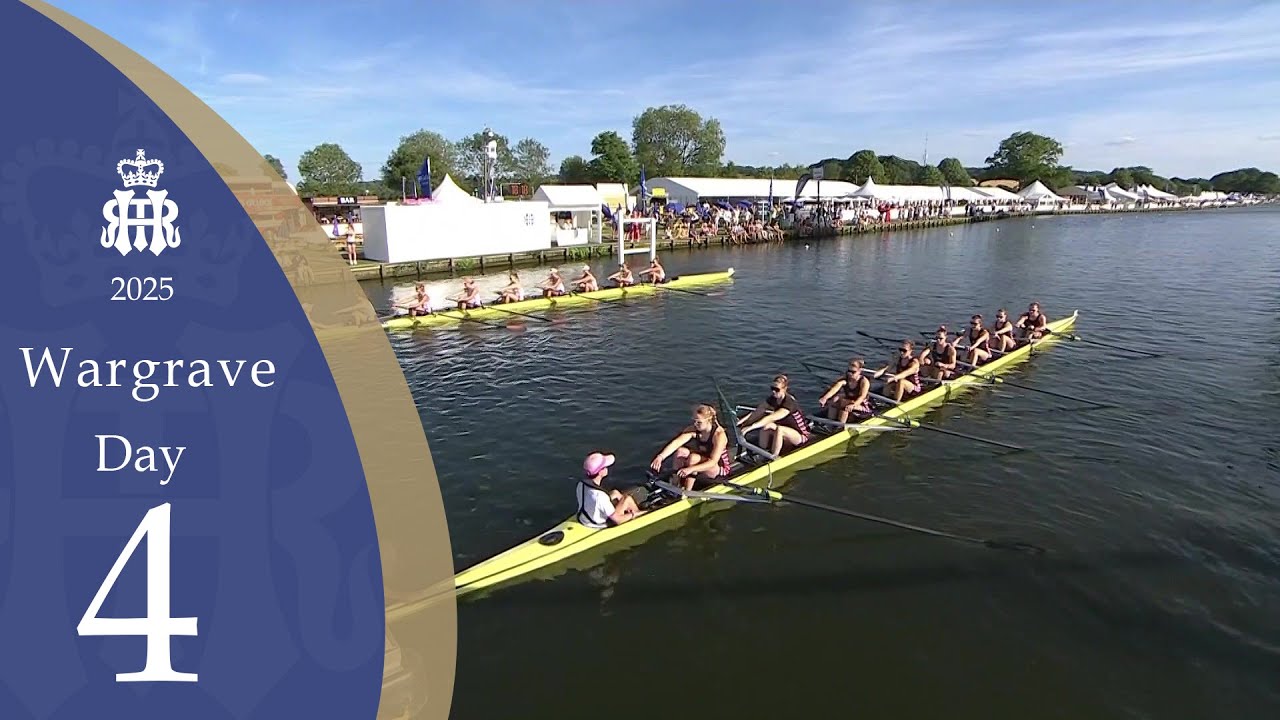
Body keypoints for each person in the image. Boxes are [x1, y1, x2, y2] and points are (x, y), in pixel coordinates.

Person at [650, 404, 732, 491]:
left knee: (693, 458)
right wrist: (661, 457)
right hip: (701, 464)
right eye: (694, 421)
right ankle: (675, 484)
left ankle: (686, 491)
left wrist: (690, 469)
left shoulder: (719, 435)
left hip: (719, 470)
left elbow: (712, 462)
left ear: (709, 420)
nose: (695, 424)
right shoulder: (694, 429)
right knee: (680, 451)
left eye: (699, 422)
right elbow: (677, 442)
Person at [738, 374, 811, 457]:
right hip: (787, 430)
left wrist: (750, 428)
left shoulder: (789, 402)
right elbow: (758, 411)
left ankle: (774, 456)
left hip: (800, 435)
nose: (773, 392)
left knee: (780, 429)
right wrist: (743, 424)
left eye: (776, 389)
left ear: (784, 389)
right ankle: (762, 451)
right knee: (767, 426)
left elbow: (771, 417)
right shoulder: (773, 398)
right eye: (772, 388)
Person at [576, 452, 646, 529]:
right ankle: (640, 516)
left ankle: (629, 510)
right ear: (600, 472)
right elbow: (617, 520)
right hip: (599, 524)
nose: (607, 468)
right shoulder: (600, 496)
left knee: (615, 493)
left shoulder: (581, 485)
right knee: (627, 499)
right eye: (605, 467)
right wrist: (633, 514)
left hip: (585, 518)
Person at [817, 358, 873, 423]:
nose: (850, 374)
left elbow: (862, 397)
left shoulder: (864, 381)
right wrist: (825, 398)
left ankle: (840, 427)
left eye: (853, 372)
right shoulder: (845, 378)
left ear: (860, 371)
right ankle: (830, 423)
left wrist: (853, 405)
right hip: (848, 402)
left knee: (845, 406)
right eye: (849, 371)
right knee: (834, 400)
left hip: (861, 405)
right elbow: (835, 388)